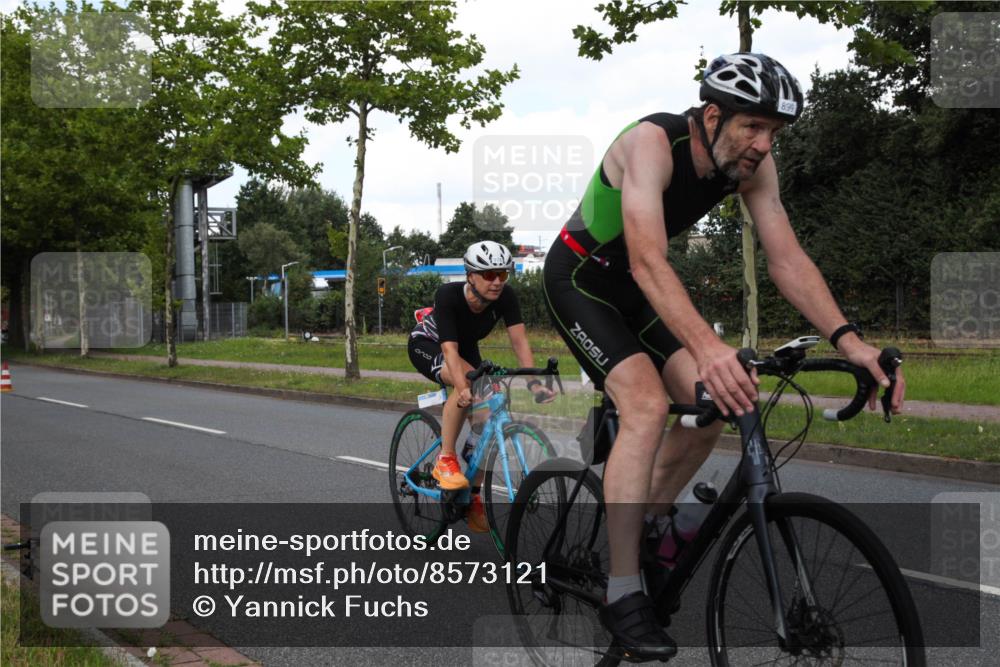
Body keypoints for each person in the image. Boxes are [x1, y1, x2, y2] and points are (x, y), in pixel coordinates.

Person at [542, 53, 907, 658]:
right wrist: (709, 347)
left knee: (720, 397)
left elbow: (786, 258)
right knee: (645, 404)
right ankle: (622, 588)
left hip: (640, 293)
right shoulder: (650, 144)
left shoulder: (749, 166)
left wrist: (851, 340)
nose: (765, 145)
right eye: (754, 127)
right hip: (581, 281)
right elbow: (646, 260)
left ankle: (652, 518)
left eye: (775, 132)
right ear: (712, 116)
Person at [409, 240, 556, 532]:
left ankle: (472, 494)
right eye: (489, 275)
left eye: (503, 273)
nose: (498, 281)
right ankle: (446, 460)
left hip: (467, 347)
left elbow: (519, 341)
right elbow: (450, 352)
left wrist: (535, 382)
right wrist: (464, 387)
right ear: (470, 275)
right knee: (470, 389)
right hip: (430, 344)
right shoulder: (449, 295)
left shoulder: (506, 296)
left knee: (492, 406)